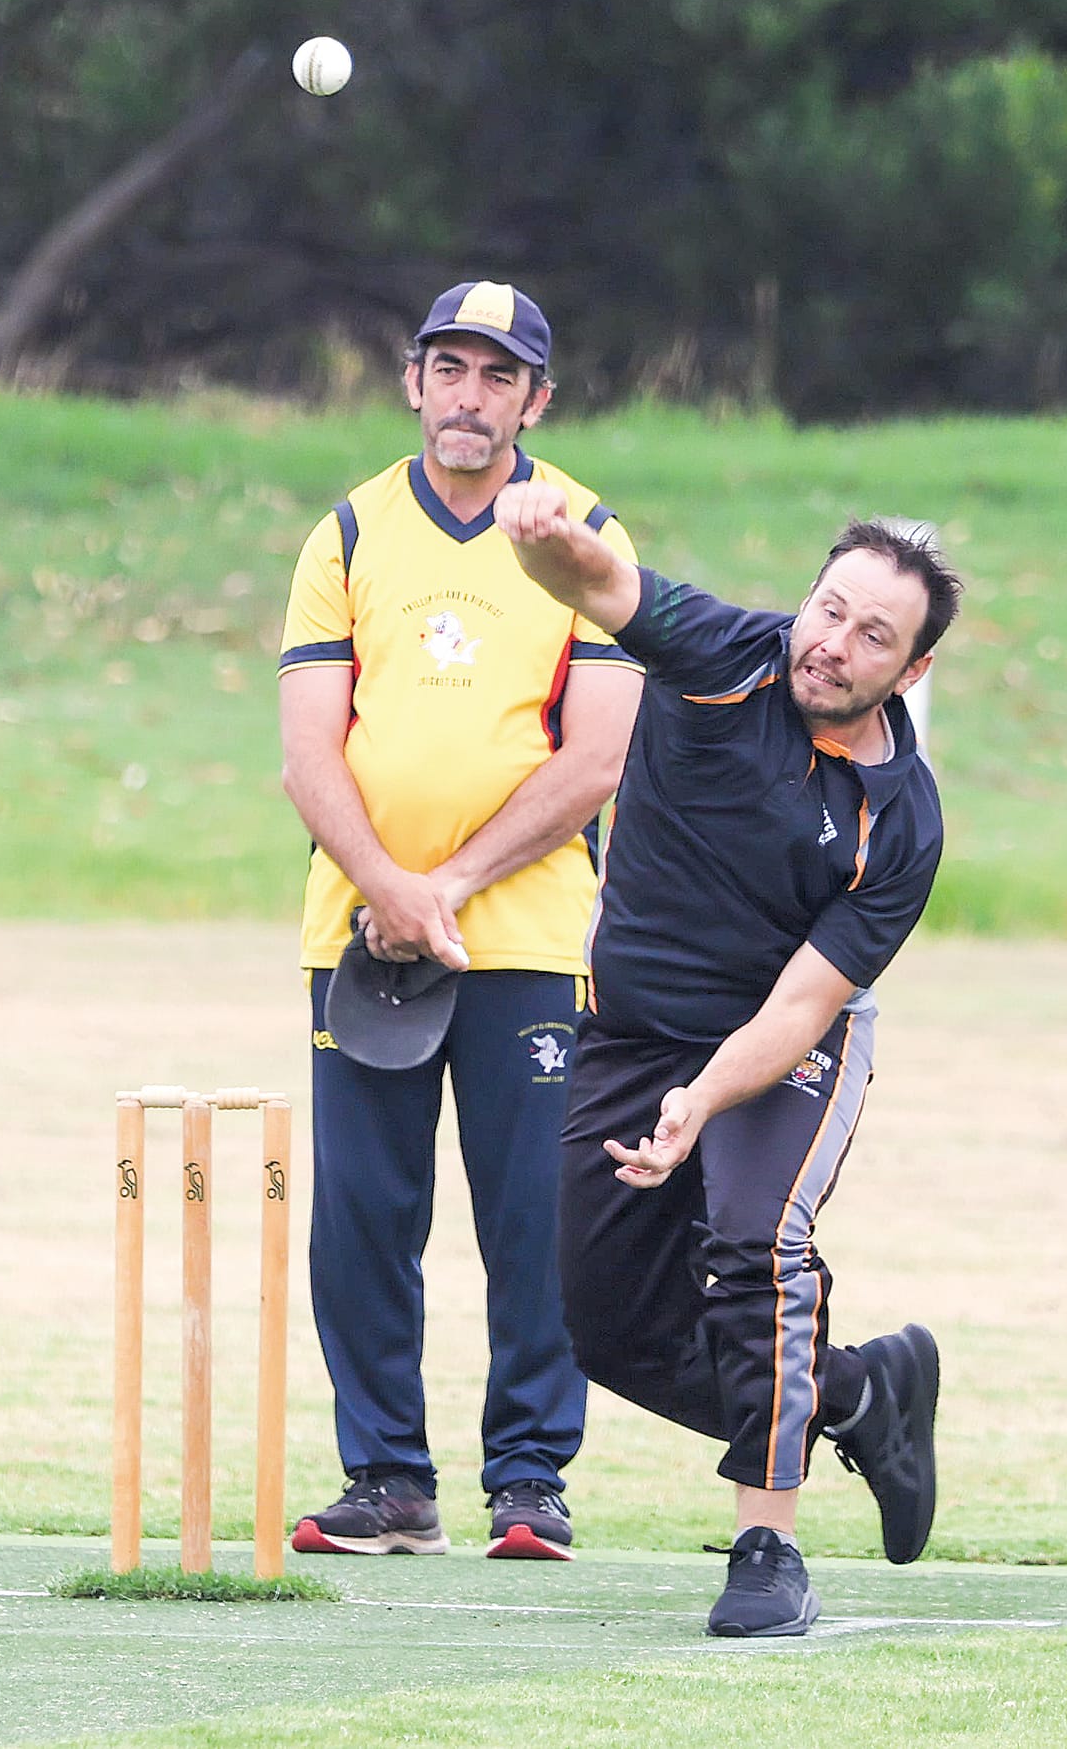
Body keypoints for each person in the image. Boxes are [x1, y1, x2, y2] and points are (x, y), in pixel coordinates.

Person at [493, 483, 960, 1636]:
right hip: (629, 1035)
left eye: (872, 636)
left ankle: (767, 1549)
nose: (832, 643)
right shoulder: (719, 655)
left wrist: (699, 1102)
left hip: (779, 1051)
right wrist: (544, 544)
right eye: (828, 609)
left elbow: (801, 1005)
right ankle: (856, 1392)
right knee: (608, 1331)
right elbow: (601, 584)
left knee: (755, 1243)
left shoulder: (900, 821)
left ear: (909, 671)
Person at [277, 281, 644, 1559]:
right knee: (363, 1215)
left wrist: (444, 884)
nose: (467, 398)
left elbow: (596, 758)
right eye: (448, 369)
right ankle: (386, 1480)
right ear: (412, 381)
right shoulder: (348, 532)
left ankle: (529, 1480)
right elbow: (307, 752)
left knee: (533, 1215)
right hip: (359, 934)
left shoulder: (583, 532)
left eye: (497, 377)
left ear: (534, 400)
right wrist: (386, 887)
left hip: (529, 934)